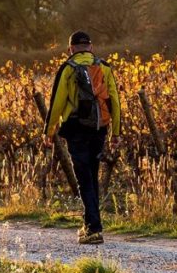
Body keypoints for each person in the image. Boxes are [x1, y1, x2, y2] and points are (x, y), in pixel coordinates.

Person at [43, 31, 121, 245]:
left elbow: (57, 101)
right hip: (99, 127)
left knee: (83, 177)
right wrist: (116, 132)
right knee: (92, 174)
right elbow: (114, 99)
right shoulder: (104, 67)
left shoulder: (68, 68)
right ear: (91, 47)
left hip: (76, 127)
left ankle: (94, 229)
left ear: (71, 49)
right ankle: (90, 224)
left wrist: (49, 131)